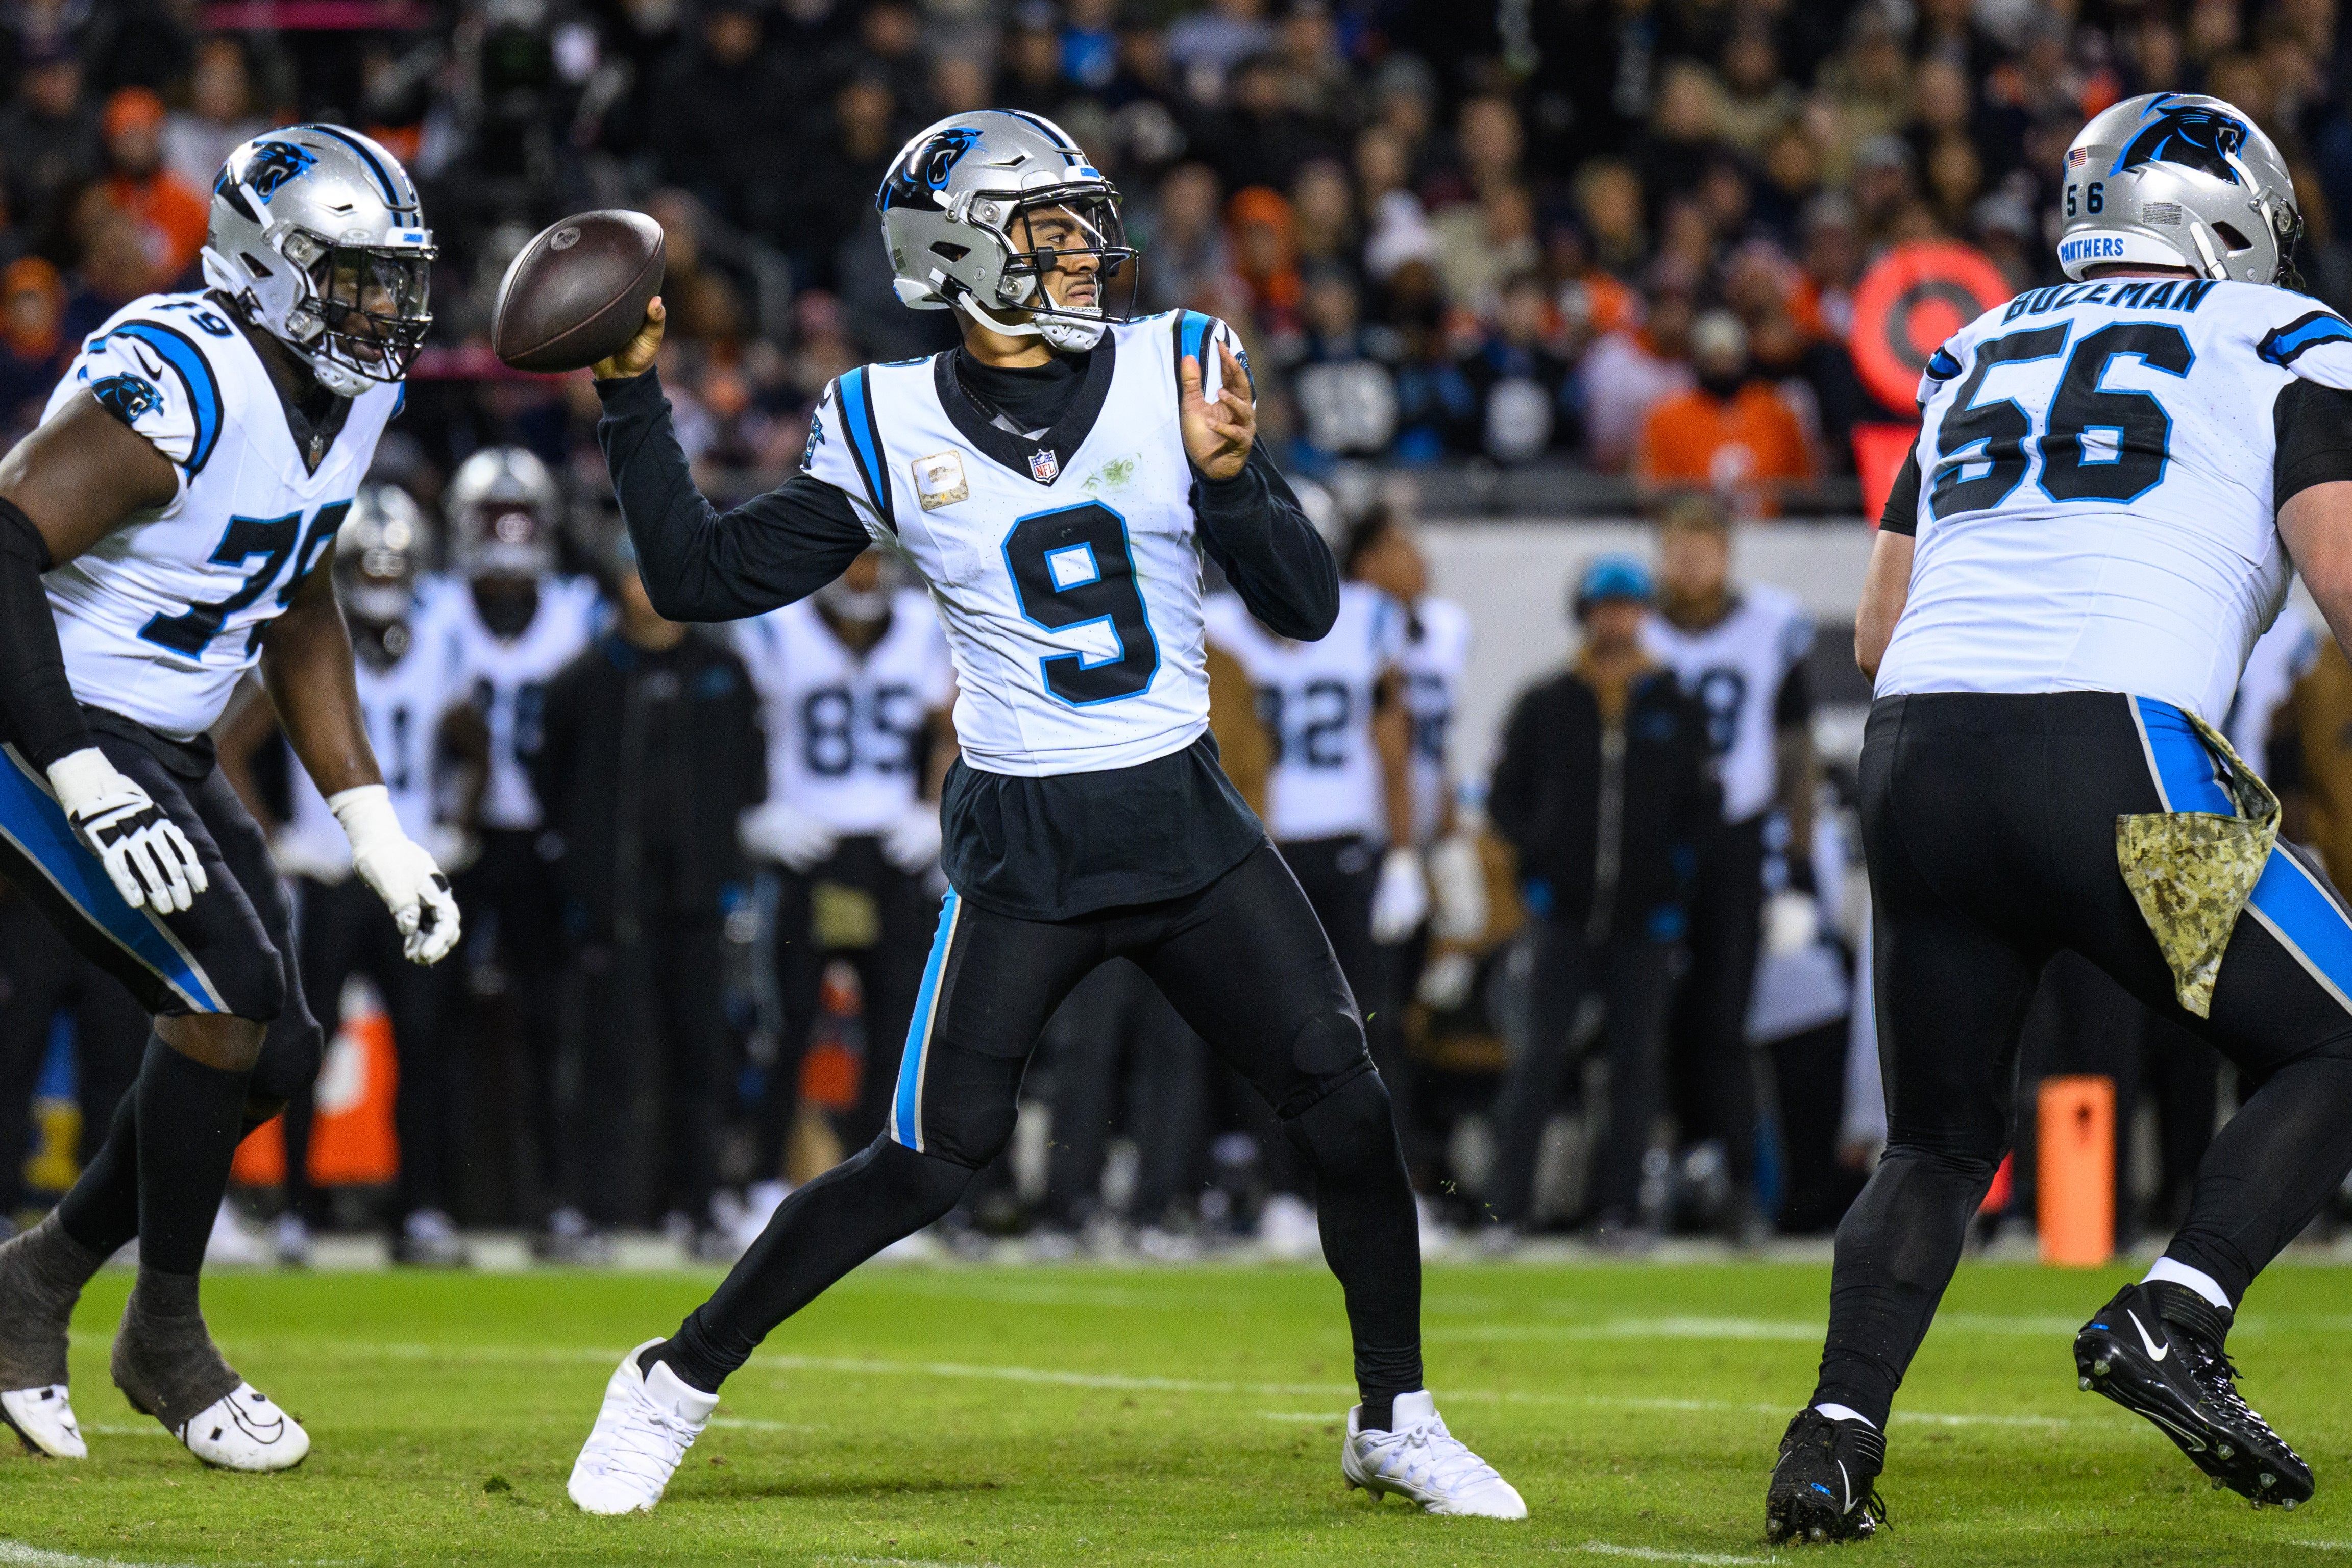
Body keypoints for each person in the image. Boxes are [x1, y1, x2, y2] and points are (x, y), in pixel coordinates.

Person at [566, 109, 1524, 1522]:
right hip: (1025, 843)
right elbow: (702, 578)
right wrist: (632, 402)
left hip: (1187, 823)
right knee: (930, 1159)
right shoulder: (885, 420)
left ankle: (1395, 1415)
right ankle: (672, 1377)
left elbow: (1312, 609)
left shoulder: (1174, 366)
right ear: (955, 252)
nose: (1084, 251)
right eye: (1048, 228)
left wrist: (1233, 477)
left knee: (1346, 1098)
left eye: (1083, 222)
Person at [1770, 93, 2352, 1540]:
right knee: (2343, 1035)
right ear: (2221, 219)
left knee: (1940, 1142)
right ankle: (2179, 1308)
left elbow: (1874, 628)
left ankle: (1832, 1443)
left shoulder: (1976, 345)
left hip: (1912, 754)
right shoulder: (2287, 339)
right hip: (2113, 748)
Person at [0, 126, 458, 1471]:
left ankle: (32, 1284)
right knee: (225, 1003)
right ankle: (168, 1339)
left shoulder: (346, 393)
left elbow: (294, 581)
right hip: (47, 721)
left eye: (397, 279)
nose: (385, 308)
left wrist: (371, 825)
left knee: (278, 1048)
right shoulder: (184, 382)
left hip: (172, 738)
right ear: (266, 267)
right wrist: (76, 767)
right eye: (356, 277)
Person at [217, 482, 468, 1266]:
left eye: (396, 566)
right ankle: (293, 1209)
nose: (385, 580)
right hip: (329, 872)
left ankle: (420, 1210)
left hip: (414, 871)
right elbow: (230, 747)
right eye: (372, 564)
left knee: (426, 1051)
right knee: (301, 1048)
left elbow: (476, 744)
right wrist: (277, 839)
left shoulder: (440, 643)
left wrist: (460, 818)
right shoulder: (307, 642)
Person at [529, 536, 765, 1252]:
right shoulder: (584, 679)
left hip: (700, 902)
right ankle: (590, 1210)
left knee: (704, 1057)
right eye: (640, 570)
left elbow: (749, 781)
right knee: (609, 1061)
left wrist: (727, 876)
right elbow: (553, 790)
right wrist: (585, 881)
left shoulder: (725, 674)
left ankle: (701, 1204)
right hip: (615, 905)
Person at [1484, 557, 1715, 1242]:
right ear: (1585, 613)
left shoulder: (1674, 704)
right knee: (1537, 1062)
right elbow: (1506, 796)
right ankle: (1508, 1208)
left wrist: (1675, 880)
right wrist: (1537, 868)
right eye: (1605, 607)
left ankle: (1619, 1211)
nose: (1616, 620)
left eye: (1628, 607)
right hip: (1564, 912)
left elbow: (1701, 807)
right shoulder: (1548, 701)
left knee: (1635, 1068)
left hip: (1644, 918)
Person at [731, 545, 954, 1224]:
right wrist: (756, 814)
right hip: (806, 850)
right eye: (850, 564)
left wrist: (935, 811)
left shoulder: (923, 627)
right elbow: (738, 733)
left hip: (893, 854)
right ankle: (763, 1183)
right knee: (788, 1024)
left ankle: (886, 1196)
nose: (862, 578)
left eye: (870, 564)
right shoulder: (775, 629)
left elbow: (955, 729)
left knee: (900, 1031)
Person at [433, 447, 598, 1254]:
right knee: (435, 1025)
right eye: (491, 520)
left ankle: (558, 1201)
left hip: (545, 844)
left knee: (551, 1030)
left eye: (520, 520)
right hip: (450, 846)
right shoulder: (430, 609)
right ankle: (434, 1204)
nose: (505, 537)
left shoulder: (578, 609)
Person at [1639, 493, 1816, 1240]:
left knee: (1724, 1020)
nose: (1690, 562)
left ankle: (1741, 1186)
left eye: (1703, 546)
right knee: (1646, 1020)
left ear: (1728, 553)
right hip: (1650, 842)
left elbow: (1795, 750)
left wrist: (1800, 865)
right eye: (1678, 547)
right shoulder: (1636, 625)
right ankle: (1648, 1183)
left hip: (1735, 843)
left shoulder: (1771, 625)